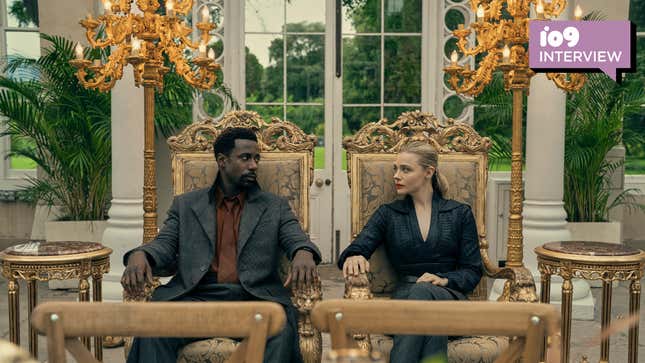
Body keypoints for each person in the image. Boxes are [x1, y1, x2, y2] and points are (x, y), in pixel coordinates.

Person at [122, 127, 321, 363]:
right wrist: (140, 254)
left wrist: (304, 252)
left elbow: (296, 237)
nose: (254, 165)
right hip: (197, 299)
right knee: (153, 328)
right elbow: (164, 244)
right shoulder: (186, 205)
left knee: (280, 330)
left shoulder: (274, 206)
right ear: (223, 161)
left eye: (256, 158)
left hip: (254, 301)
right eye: (245, 158)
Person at [338, 141, 482, 363]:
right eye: (395, 169)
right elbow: (356, 248)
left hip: (450, 300)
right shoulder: (388, 214)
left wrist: (443, 280)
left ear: (428, 172)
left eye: (405, 169)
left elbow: (472, 271)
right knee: (430, 312)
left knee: (425, 292)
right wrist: (355, 254)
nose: (397, 175)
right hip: (405, 300)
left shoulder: (459, 213)